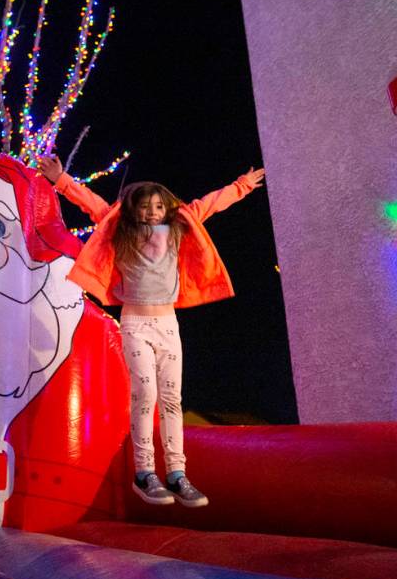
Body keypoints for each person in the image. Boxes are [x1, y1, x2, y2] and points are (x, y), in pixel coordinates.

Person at [38, 155, 265, 507]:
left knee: (172, 400)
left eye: (159, 205)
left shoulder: (180, 225)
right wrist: (61, 180)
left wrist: (242, 186)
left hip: (167, 326)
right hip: (135, 324)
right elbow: (93, 204)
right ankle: (144, 472)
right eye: (145, 206)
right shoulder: (119, 228)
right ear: (132, 209)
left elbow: (210, 204)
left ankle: (177, 473)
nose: (152, 211)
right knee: (145, 395)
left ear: (168, 208)